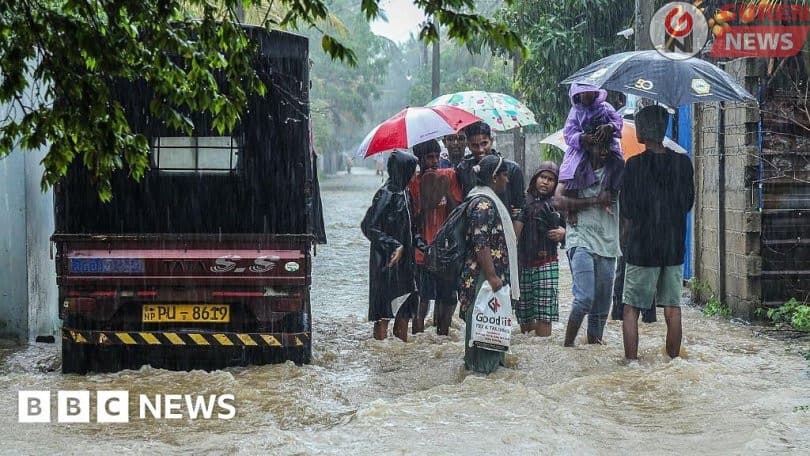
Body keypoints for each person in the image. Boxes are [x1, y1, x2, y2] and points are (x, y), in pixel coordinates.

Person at [620, 105, 694, 361]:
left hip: (642, 246)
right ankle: (673, 362)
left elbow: (627, 211)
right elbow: (687, 203)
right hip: (673, 246)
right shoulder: (683, 163)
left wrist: (624, 241)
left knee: (631, 308)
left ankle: (631, 362)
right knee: (672, 308)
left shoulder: (633, 165)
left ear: (642, 131)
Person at [553, 130, 623, 347]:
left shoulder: (618, 171)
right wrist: (594, 200)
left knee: (602, 306)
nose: (602, 151)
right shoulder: (575, 169)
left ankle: (594, 348)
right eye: (597, 146)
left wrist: (623, 236)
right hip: (580, 238)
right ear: (587, 146)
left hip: (608, 242)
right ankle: (568, 346)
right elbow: (557, 200)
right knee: (584, 298)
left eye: (606, 146)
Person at [458, 155, 521, 374]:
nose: (507, 180)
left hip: (484, 276)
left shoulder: (481, 198)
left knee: (488, 328)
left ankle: (483, 372)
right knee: (485, 330)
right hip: (483, 277)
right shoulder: (484, 203)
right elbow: (480, 242)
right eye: (504, 175)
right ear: (494, 178)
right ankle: (482, 372)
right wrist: (493, 276)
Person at [361, 151, 424, 342]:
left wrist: (424, 245)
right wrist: (393, 245)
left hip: (406, 263)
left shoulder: (405, 193)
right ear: (402, 171)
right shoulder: (385, 194)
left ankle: (400, 354)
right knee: (384, 313)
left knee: (405, 310)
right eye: (412, 170)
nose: (415, 175)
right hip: (386, 263)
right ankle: (380, 353)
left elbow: (411, 228)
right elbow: (368, 226)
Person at [407, 139, 462, 335]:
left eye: (437, 157)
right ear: (419, 160)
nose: (434, 161)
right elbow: (411, 220)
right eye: (429, 157)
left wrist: (445, 189)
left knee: (448, 298)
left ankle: (443, 336)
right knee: (422, 300)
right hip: (422, 253)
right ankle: (418, 339)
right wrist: (428, 200)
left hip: (446, 251)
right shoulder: (413, 183)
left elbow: (458, 211)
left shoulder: (449, 176)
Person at [515, 162, 565, 336]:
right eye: (543, 177)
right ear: (535, 178)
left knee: (545, 314)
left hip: (547, 263)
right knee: (525, 314)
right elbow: (514, 233)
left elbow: (574, 228)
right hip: (523, 264)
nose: (546, 182)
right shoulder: (523, 200)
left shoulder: (558, 203)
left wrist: (563, 231)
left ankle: (542, 345)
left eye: (551, 179)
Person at [560, 84, 623, 192]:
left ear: (595, 93)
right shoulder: (575, 112)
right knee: (573, 168)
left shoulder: (605, 107)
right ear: (578, 95)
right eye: (583, 93)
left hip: (606, 144)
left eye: (589, 93)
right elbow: (568, 133)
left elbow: (618, 121)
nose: (586, 96)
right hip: (583, 148)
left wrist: (610, 127)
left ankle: (613, 188)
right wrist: (582, 137)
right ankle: (578, 189)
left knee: (618, 162)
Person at [456, 122, 525, 221]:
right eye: (475, 145)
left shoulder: (512, 169)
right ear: (468, 145)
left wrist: (513, 235)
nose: (480, 150)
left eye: (484, 143)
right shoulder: (463, 169)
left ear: (491, 141)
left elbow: (520, 209)